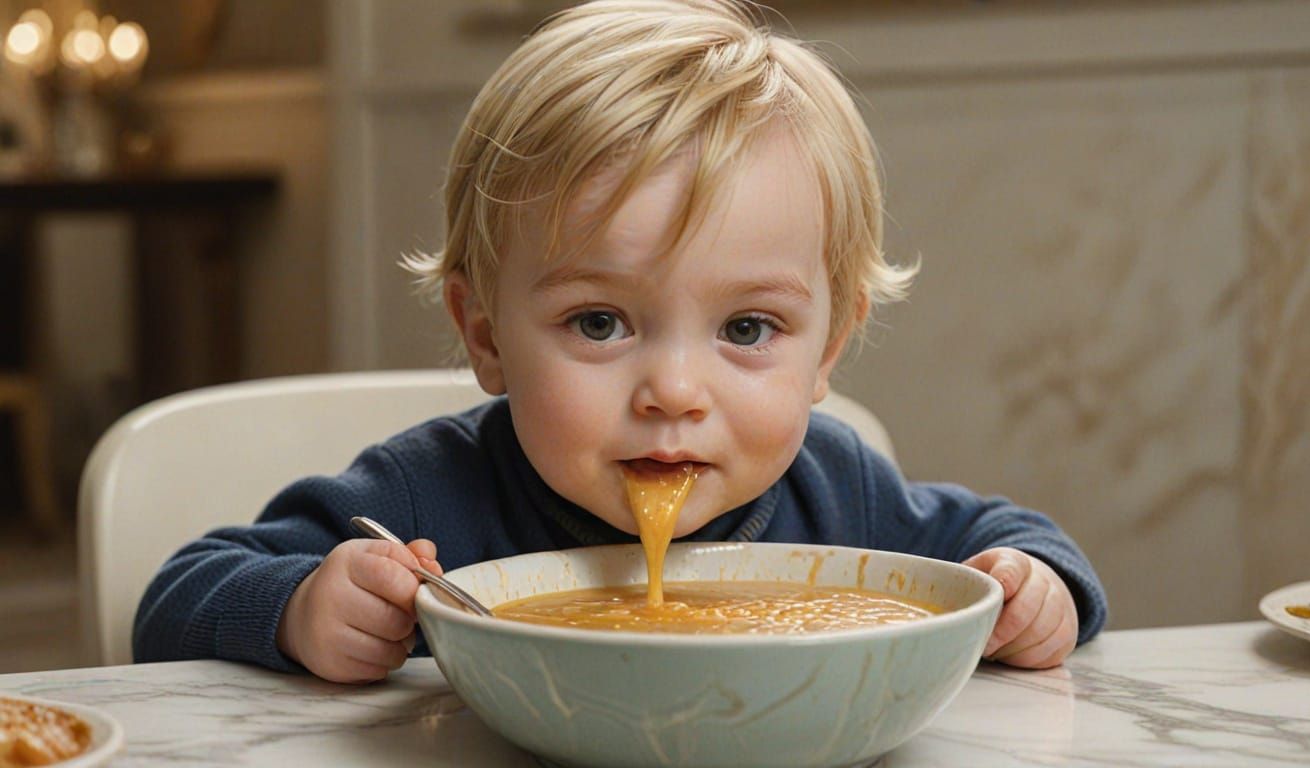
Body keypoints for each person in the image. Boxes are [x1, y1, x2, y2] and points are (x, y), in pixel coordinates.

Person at [135, 0, 1106, 683]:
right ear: (484, 333)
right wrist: (302, 609)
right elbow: (177, 599)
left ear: (829, 349)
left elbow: (1012, 543)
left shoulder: (837, 490)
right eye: (599, 323)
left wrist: (1037, 591)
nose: (674, 390)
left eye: (748, 329)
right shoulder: (430, 496)